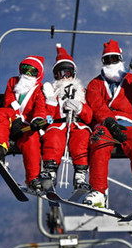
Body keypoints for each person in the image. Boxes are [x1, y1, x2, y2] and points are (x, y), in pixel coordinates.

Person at [84, 39, 132, 211]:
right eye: (107, 60)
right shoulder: (95, 84)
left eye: (114, 59)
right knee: (98, 140)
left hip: (129, 124)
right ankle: (98, 191)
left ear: (121, 59)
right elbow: (97, 106)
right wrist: (110, 122)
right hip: (106, 124)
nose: (111, 63)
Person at [0, 55, 49, 192]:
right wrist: (16, 117)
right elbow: (8, 99)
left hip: (26, 126)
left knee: (31, 141)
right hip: (11, 119)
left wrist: (37, 120)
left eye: (32, 72)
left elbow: (40, 108)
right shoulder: (13, 82)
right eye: (25, 69)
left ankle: (33, 178)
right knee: (1, 113)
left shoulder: (39, 90)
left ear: (38, 74)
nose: (27, 74)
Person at [40, 44, 94, 192]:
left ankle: (80, 175)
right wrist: (50, 99)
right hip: (57, 125)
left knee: (82, 139)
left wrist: (80, 108)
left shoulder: (82, 92)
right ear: (55, 76)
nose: (64, 77)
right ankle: (50, 171)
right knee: (53, 138)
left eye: (67, 73)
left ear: (73, 74)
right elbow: (47, 117)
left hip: (77, 125)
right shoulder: (53, 92)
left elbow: (89, 117)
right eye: (60, 74)